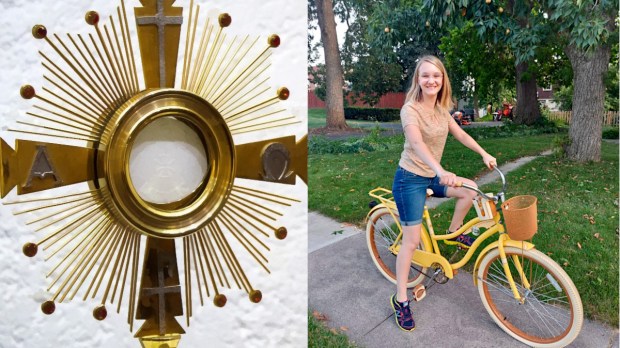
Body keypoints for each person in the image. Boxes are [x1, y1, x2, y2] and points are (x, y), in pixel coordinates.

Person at [390, 56, 496, 332]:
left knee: (470, 189)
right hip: (410, 180)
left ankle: (455, 230)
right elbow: (416, 142)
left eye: (436, 76)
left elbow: (461, 135)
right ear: (418, 79)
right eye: (425, 76)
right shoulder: (410, 109)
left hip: (433, 175)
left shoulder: (441, 109)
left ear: (442, 80)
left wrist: (483, 153)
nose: (431, 80)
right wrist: (438, 169)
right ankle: (401, 299)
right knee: (411, 243)